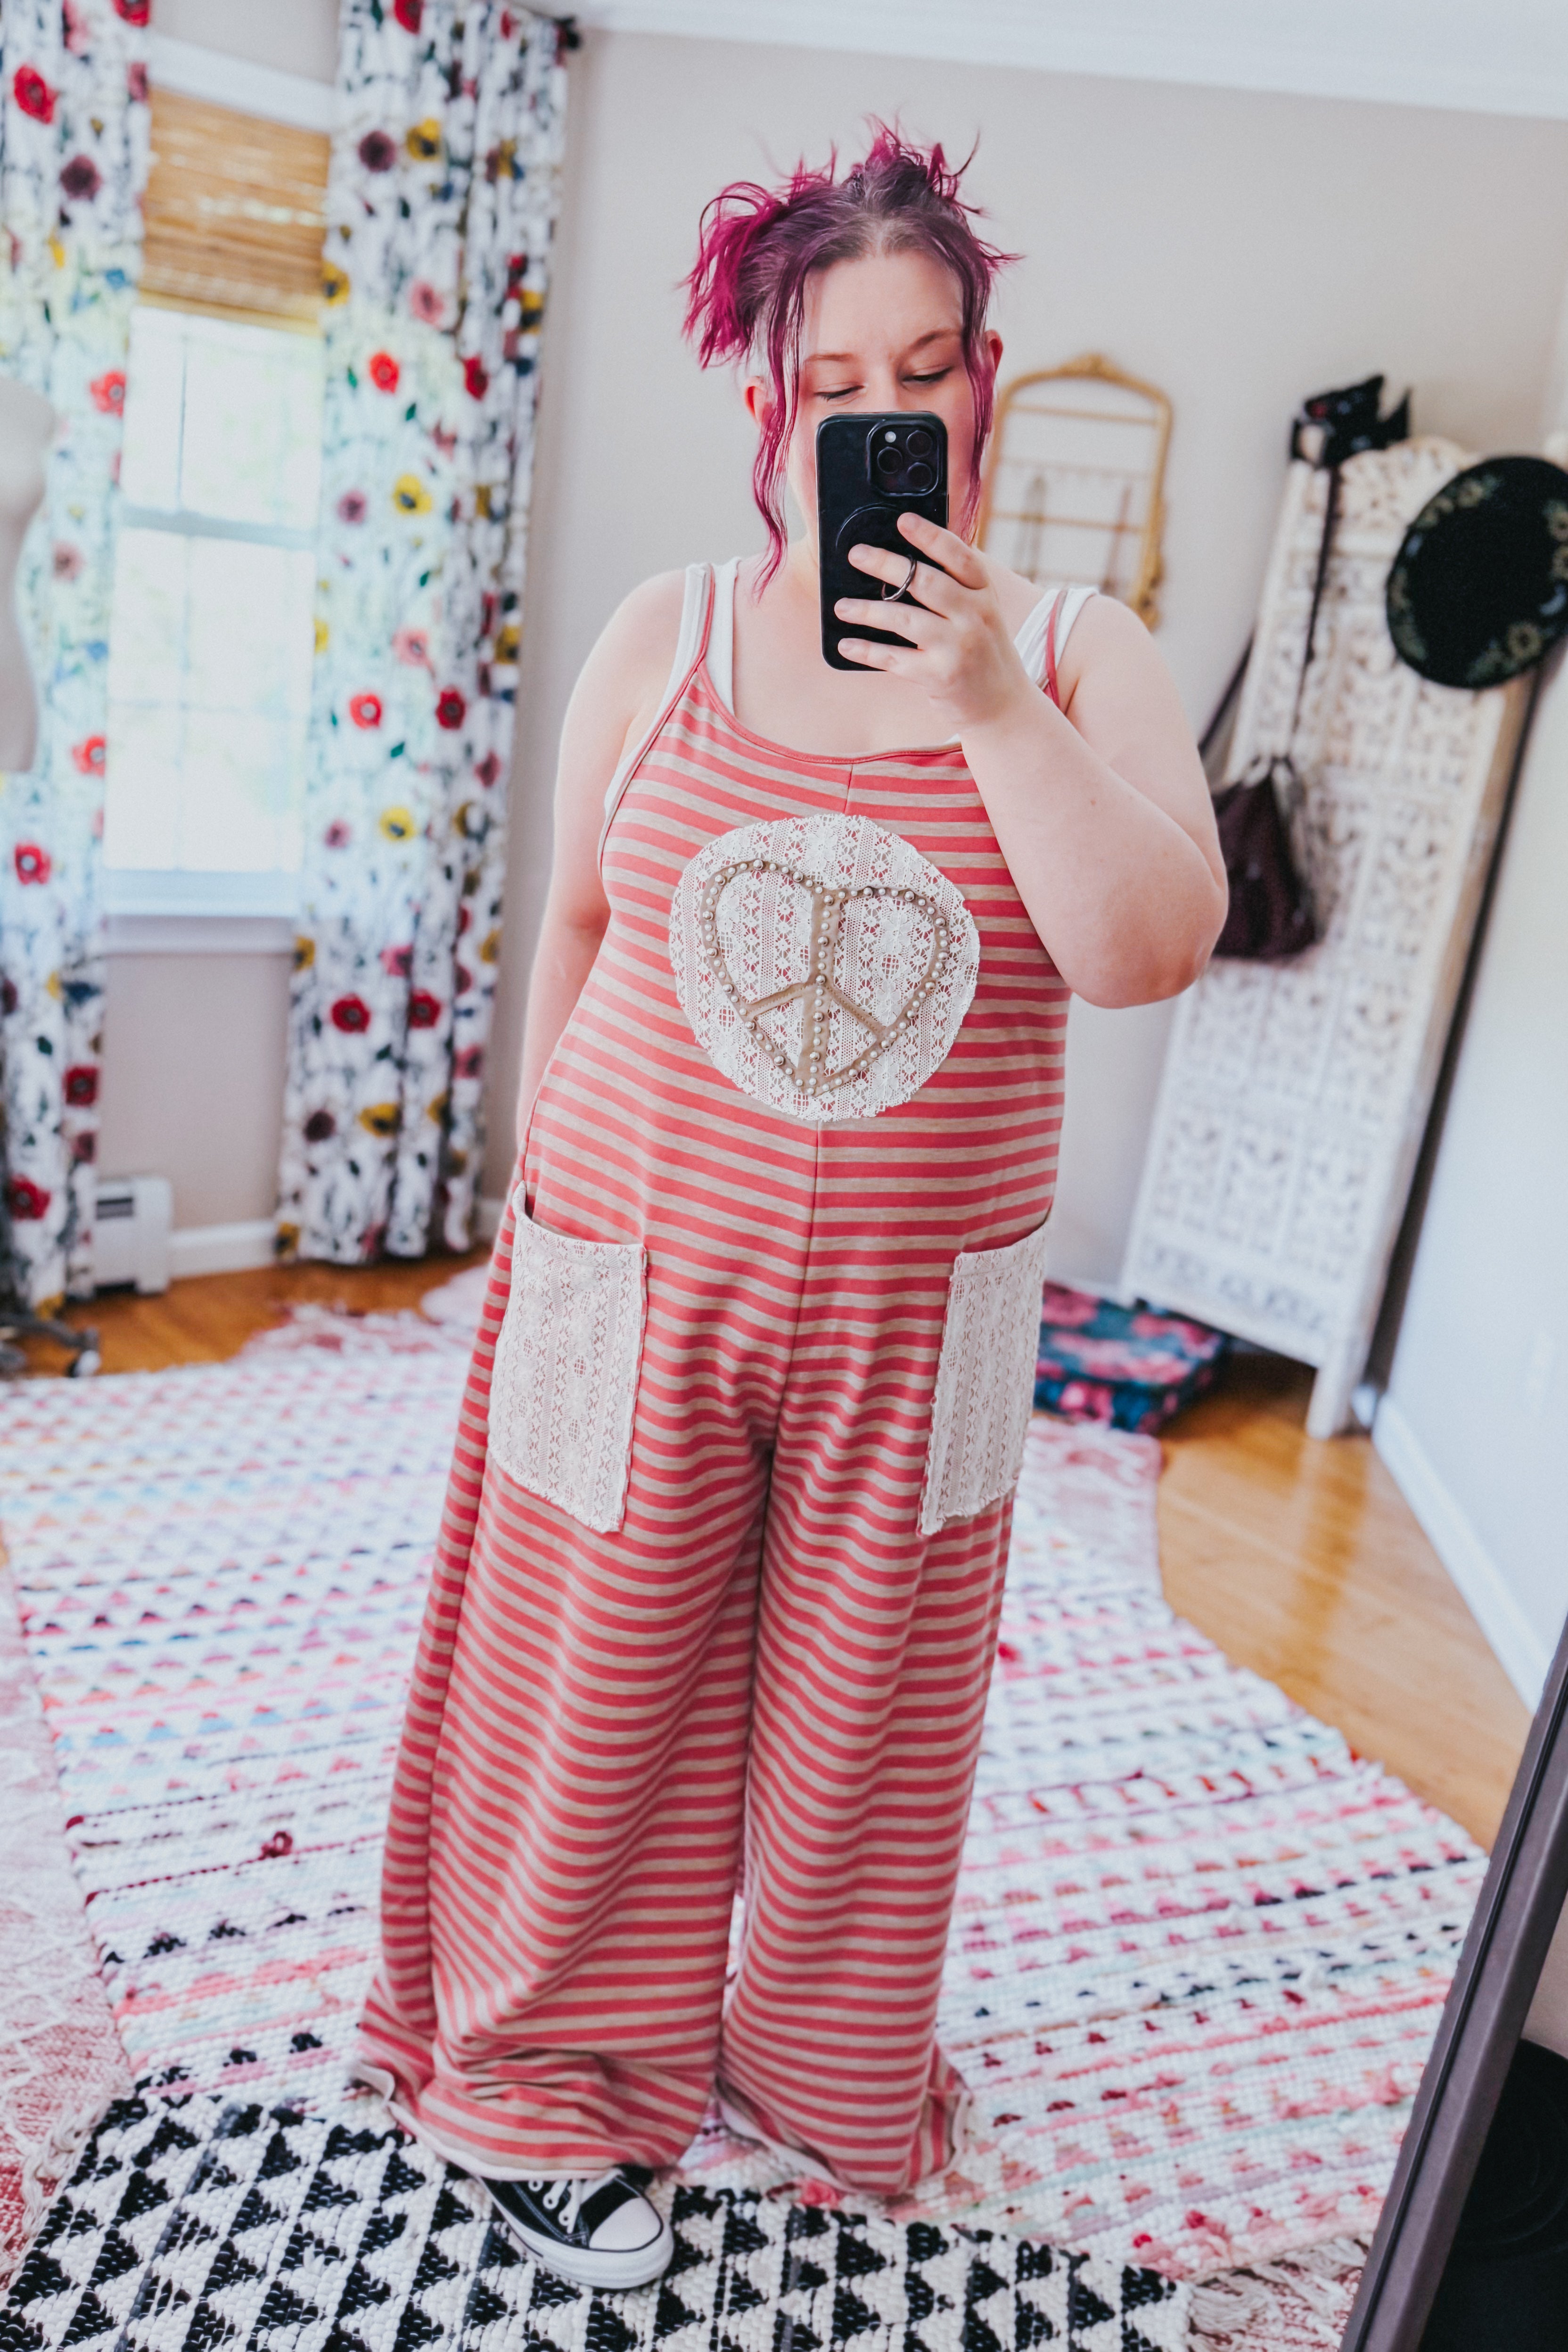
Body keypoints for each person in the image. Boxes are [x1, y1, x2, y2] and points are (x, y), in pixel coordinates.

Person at [355, 127, 1225, 2291]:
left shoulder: (1074, 652)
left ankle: (824, 2080)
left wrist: (983, 698)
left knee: (874, 1718)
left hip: (916, 1334)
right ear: (775, 409)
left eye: (924, 371)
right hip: (627, 1282)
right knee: (601, 1694)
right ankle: (556, 2080)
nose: (886, 418)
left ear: (982, 385)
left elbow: (1146, 945)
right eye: (838, 384)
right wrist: (540, 1246)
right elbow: (568, 935)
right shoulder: (659, 641)